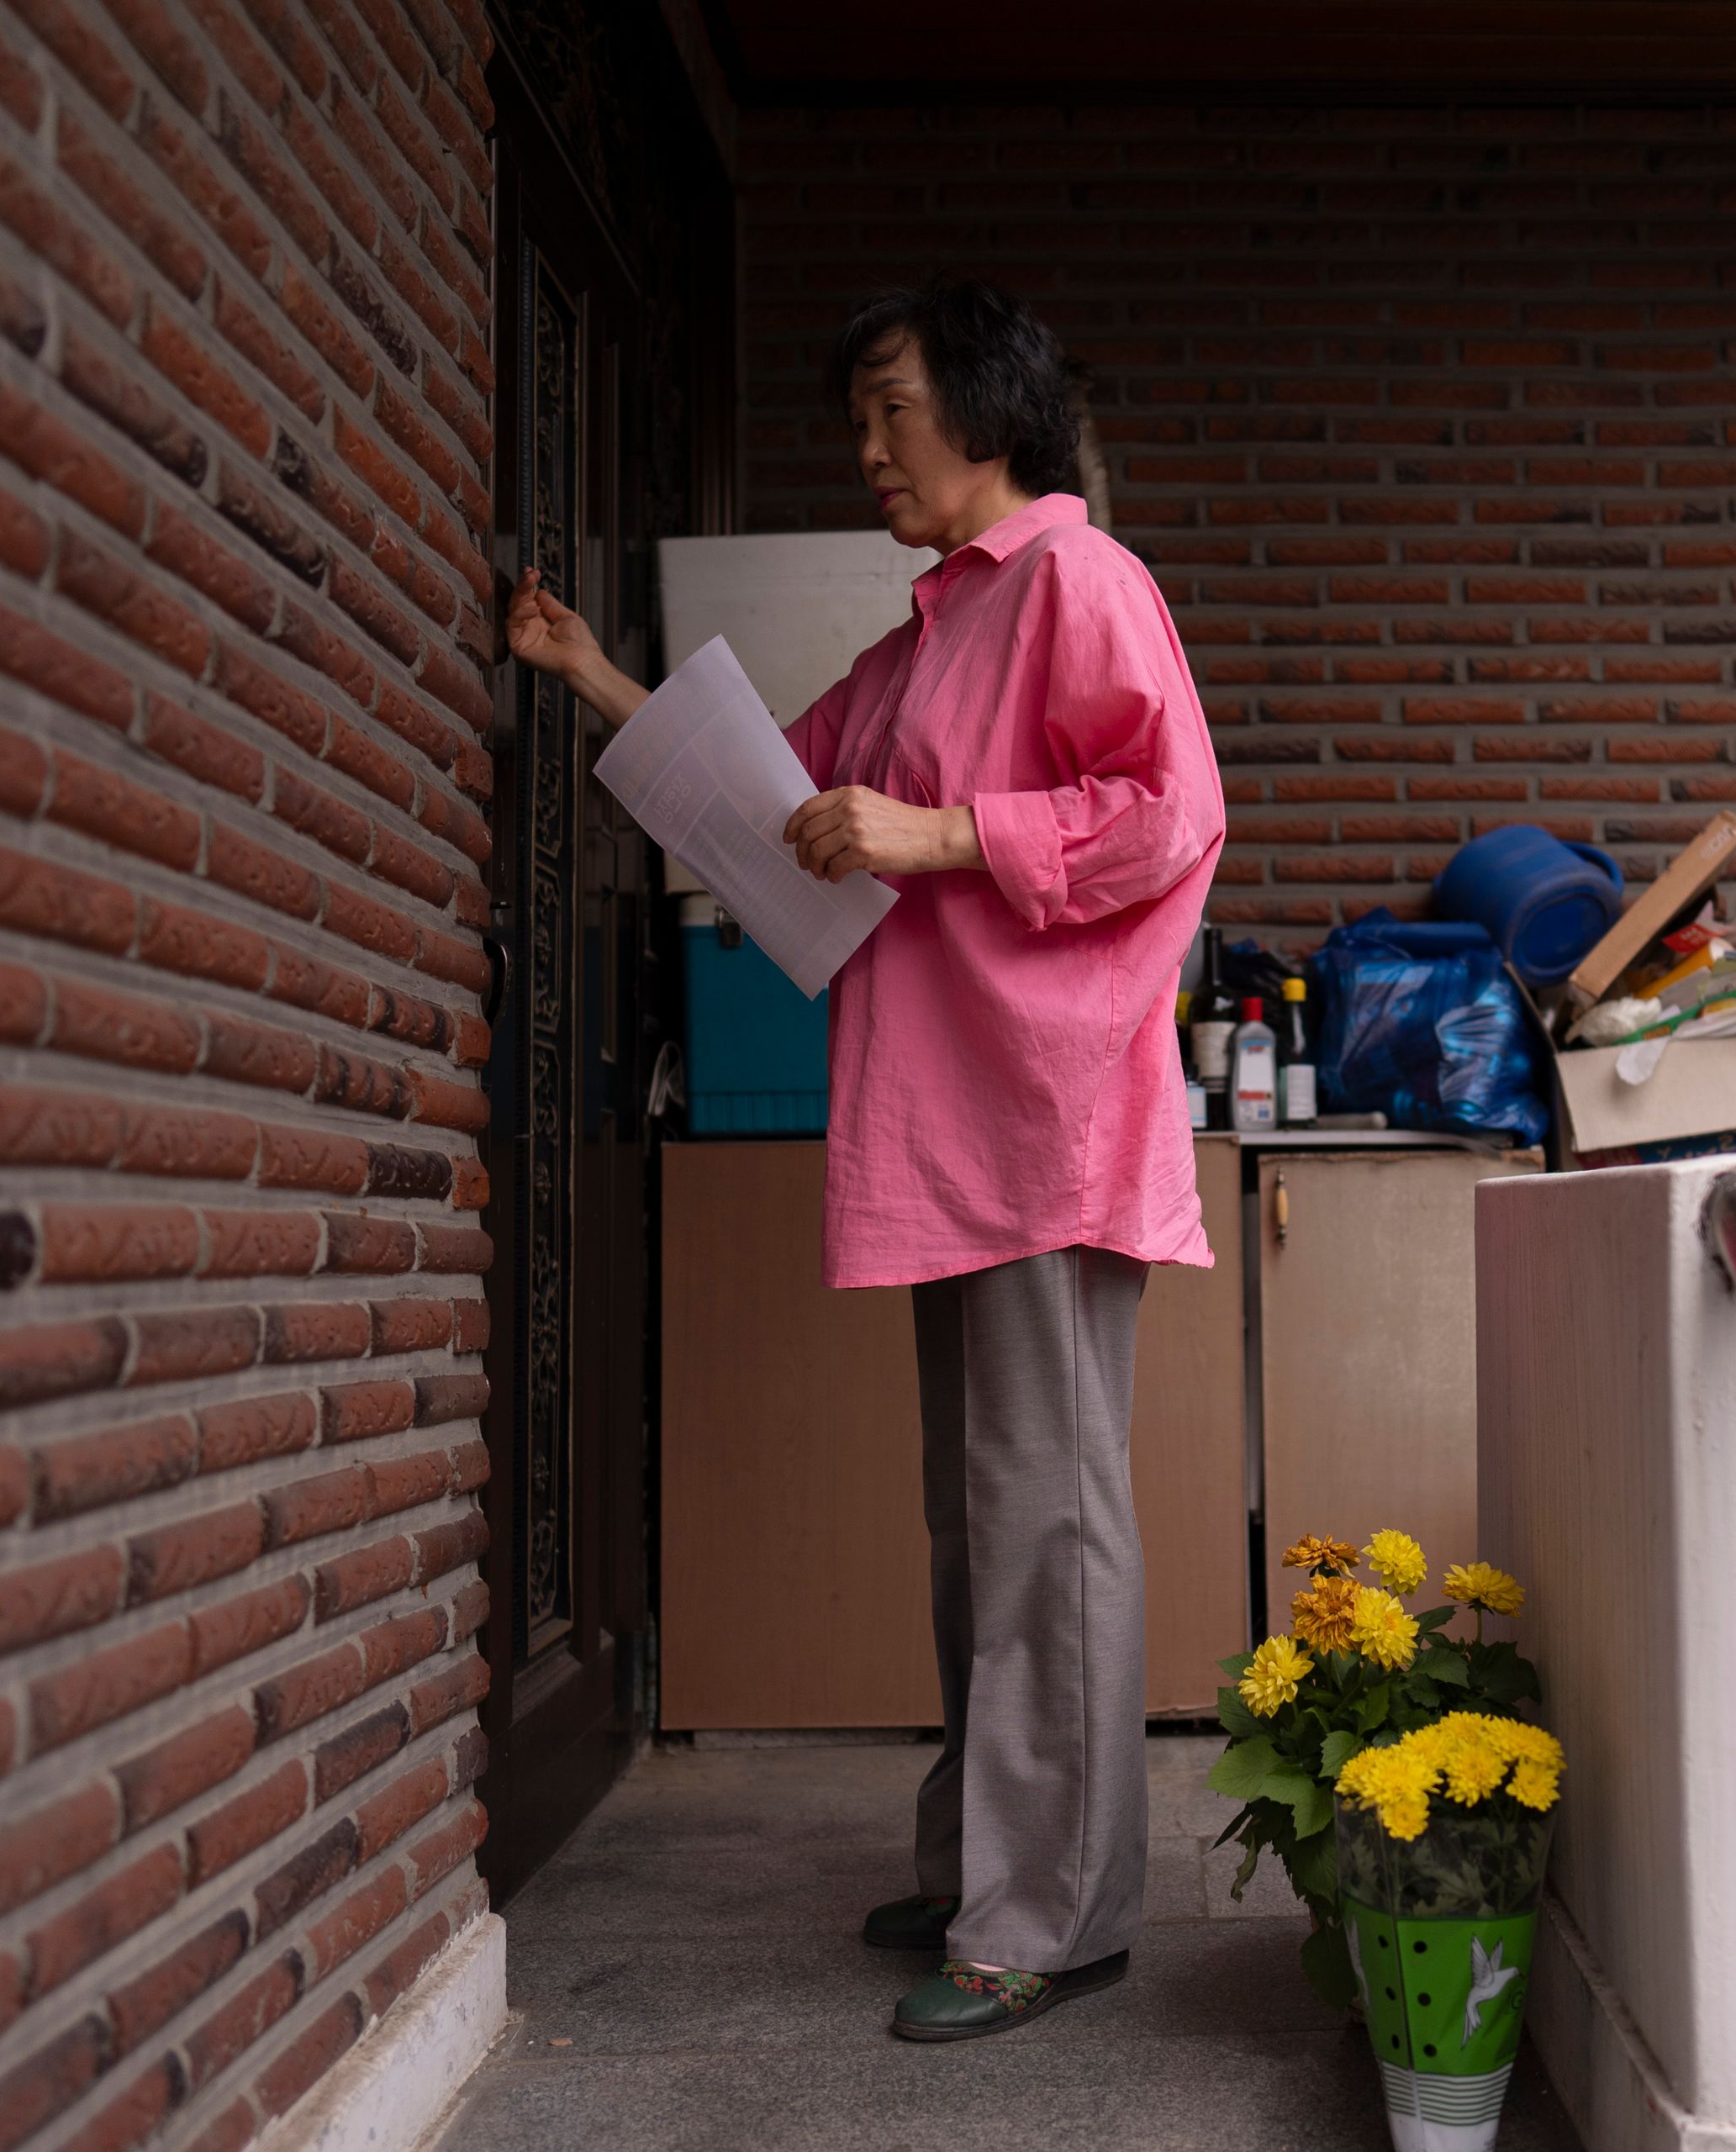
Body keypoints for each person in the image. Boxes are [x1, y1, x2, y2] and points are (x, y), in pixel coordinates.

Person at [502, 277, 1225, 2044]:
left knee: (1050, 1520)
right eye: (860, 419)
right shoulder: (924, 635)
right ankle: (993, 1859)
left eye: (893, 410)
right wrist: (590, 668)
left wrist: (947, 827)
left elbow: (1171, 809)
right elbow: (769, 795)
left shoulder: (1078, 578)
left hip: (1045, 1122)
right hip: (953, 1122)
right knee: (981, 1525)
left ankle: (1054, 1913)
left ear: (991, 412)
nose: (869, 447)